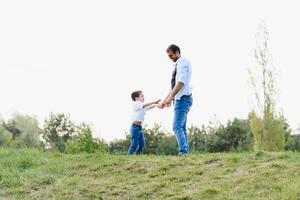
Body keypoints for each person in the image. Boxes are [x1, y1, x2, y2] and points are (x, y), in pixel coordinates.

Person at [158, 44, 193, 156]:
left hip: (183, 99)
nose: (170, 58)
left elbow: (180, 83)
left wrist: (170, 98)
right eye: (168, 56)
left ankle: (183, 152)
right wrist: (166, 99)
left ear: (177, 52)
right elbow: (174, 86)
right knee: (181, 127)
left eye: (171, 55)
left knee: (177, 126)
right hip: (181, 98)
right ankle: (185, 152)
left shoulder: (183, 63)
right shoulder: (178, 65)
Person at [127, 90, 160, 155]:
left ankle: (138, 156)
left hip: (139, 128)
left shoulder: (142, 106)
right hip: (135, 127)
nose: (143, 97)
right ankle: (129, 156)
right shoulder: (136, 104)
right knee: (134, 144)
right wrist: (154, 102)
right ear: (136, 98)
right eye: (142, 96)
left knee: (142, 144)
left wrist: (156, 105)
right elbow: (145, 105)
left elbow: (149, 107)